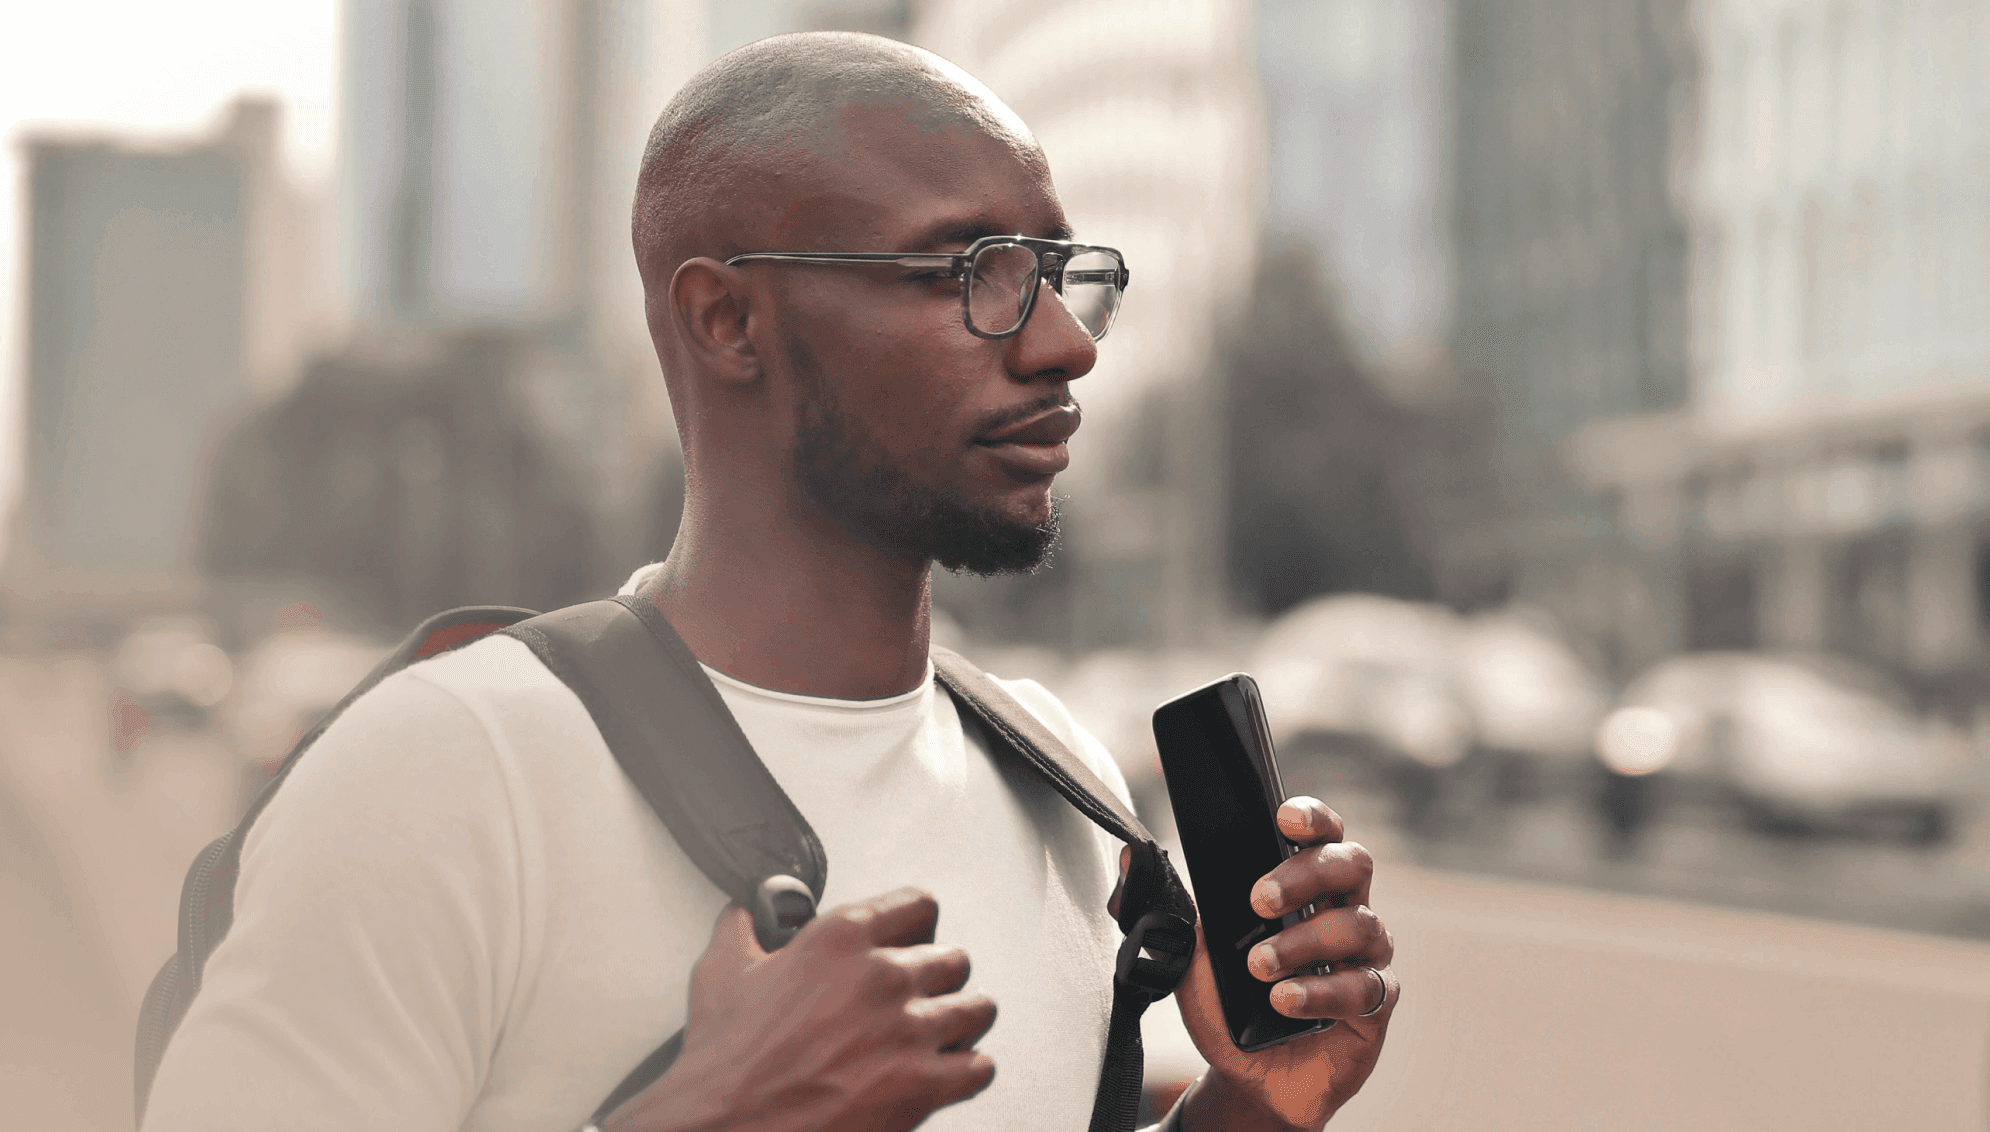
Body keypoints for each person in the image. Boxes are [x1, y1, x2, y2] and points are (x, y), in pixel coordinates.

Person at [142, 31, 1397, 1132]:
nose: (1063, 342)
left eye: (1063, 274)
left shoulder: (1059, 780)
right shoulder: (450, 770)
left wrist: (1250, 1114)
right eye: (971, 272)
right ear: (727, 321)